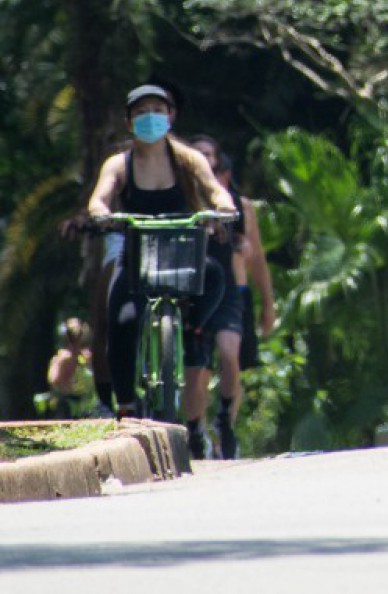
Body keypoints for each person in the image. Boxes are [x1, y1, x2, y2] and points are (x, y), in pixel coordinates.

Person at [84, 83, 237, 422]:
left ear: (170, 117)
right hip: (138, 256)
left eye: (156, 110)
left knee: (213, 276)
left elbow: (214, 191)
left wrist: (223, 207)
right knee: (121, 320)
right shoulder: (119, 164)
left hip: (182, 253)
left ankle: (193, 332)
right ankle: (125, 403)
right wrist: (100, 212)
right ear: (129, 122)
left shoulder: (188, 159)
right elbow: (101, 196)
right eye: (140, 112)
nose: (149, 118)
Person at [183, 137, 277, 459]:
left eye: (209, 154)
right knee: (197, 367)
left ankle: (226, 422)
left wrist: (268, 303)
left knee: (230, 354)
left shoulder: (237, 205)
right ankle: (195, 430)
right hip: (193, 290)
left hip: (231, 293)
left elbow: (257, 257)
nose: (204, 160)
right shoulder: (184, 200)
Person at [45, 318, 94, 418]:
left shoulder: (85, 356)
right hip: (66, 404)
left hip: (83, 403)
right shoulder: (63, 357)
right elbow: (54, 379)